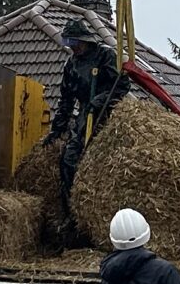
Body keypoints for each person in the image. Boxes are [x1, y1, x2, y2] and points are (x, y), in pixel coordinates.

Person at [49, 17, 125, 212]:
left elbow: (121, 86)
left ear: (84, 40)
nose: (72, 47)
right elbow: (66, 100)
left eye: (74, 42)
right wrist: (57, 129)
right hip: (85, 114)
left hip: (108, 111)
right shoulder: (71, 65)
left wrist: (100, 100)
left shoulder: (105, 56)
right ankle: (72, 210)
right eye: (68, 43)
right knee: (69, 160)